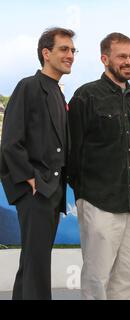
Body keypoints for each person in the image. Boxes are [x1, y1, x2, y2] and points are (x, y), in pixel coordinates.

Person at [0, 27, 76, 300]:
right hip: (37, 190)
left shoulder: (56, 91)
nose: (70, 55)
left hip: (50, 192)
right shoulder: (28, 86)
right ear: (46, 53)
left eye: (72, 50)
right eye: (63, 49)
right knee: (37, 265)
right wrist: (31, 180)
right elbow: (10, 141)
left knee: (33, 262)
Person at [68, 33, 130, 300]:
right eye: (122, 56)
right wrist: (84, 194)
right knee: (97, 277)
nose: (129, 62)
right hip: (98, 201)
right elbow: (72, 152)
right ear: (104, 59)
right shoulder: (85, 95)